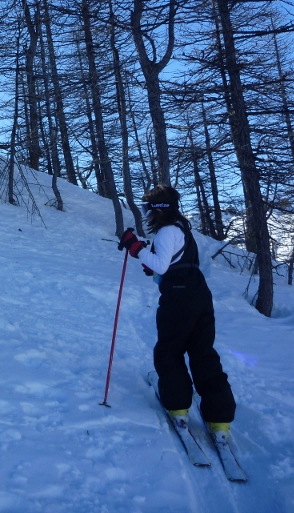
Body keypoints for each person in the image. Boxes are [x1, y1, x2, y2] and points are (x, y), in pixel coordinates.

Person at [119, 185, 236, 441]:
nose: (146, 213)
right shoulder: (182, 230)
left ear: (156, 210)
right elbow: (171, 262)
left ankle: (178, 407)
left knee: (169, 351)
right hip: (198, 293)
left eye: (147, 208)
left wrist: (135, 248)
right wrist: (156, 266)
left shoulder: (166, 231)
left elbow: (161, 262)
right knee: (203, 353)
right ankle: (219, 419)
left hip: (178, 297)